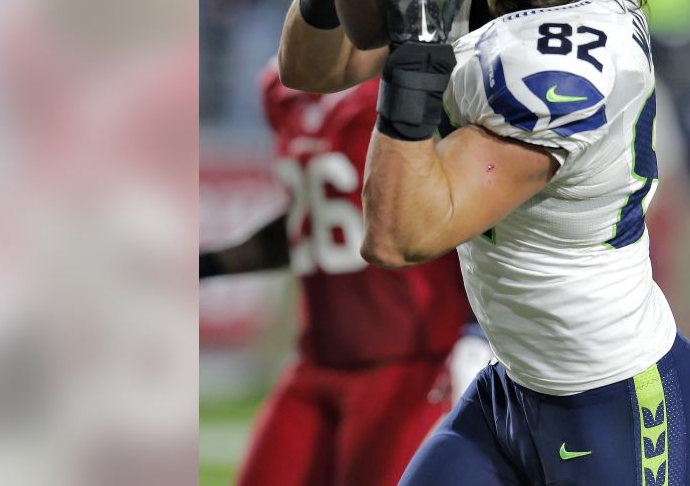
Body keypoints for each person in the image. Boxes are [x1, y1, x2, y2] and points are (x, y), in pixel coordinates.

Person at [278, 0, 690, 486]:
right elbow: (312, 71)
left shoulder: (576, 61)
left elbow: (400, 236)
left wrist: (417, 62)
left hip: (613, 403)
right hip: (512, 387)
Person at [200, 62, 484, 484]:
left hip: (410, 362)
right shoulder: (286, 88)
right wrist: (206, 265)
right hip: (318, 358)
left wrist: (480, 330)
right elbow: (313, 221)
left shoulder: (415, 80)